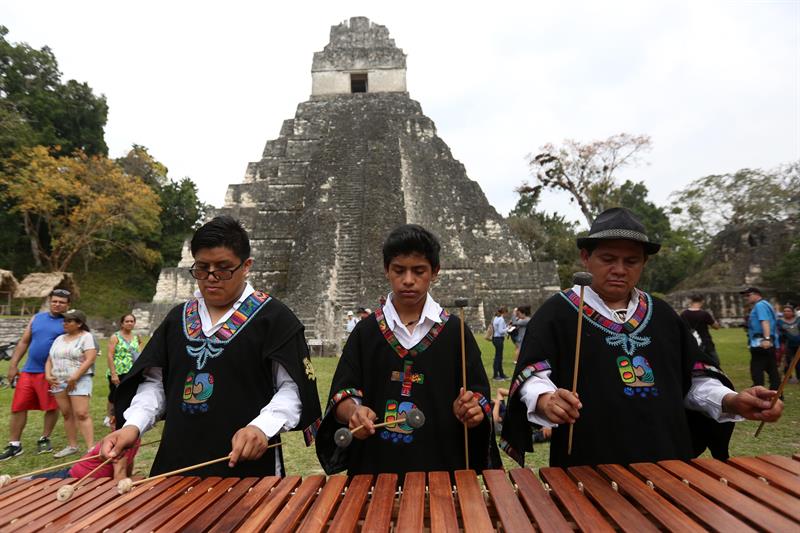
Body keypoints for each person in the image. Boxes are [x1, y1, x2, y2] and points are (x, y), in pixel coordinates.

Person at [500, 207, 784, 468]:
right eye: (608, 259)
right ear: (586, 258)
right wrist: (546, 399)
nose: (620, 269)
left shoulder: (663, 314)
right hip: (589, 462)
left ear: (644, 263)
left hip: (670, 460)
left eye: (631, 261)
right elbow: (533, 375)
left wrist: (731, 401)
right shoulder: (557, 313)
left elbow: (694, 381)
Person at [100, 216, 321, 478]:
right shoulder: (176, 319)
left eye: (223, 268)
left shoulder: (273, 319)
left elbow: (293, 388)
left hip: (246, 467)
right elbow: (156, 384)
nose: (211, 278)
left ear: (246, 265)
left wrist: (262, 427)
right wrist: (133, 425)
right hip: (176, 464)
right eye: (202, 268)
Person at [316, 224, 501, 478]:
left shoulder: (455, 332)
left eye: (419, 271)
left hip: (443, 469)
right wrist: (354, 412)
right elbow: (341, 394)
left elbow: (479, 395)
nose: (408, 280)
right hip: (374, 469)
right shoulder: (366, 332)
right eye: (399, 270)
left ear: (435, 272)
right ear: (386, 271)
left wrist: (473, 409)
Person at [0, 289, 70, 461]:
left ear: (68, 305)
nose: (57, 304)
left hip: (52, 373)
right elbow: (24, 341)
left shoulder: (68, 323)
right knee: (18, 406)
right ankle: (14, 444)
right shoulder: (37, 318)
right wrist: (13, 364)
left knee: (52, 407)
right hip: (29, 371)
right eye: (54, 301)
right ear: (49, 301)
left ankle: (44, 438)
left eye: (61, 302)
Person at [45, 309, 97, 458]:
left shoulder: (86, 337)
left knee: (81, 413)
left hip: (79, 380)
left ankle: (91, 449)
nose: (65, 323)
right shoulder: (59, 339)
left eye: (69, 321)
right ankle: (72, 446)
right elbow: (50, 359)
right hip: (58, 381)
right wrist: (48, 375)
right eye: (64, 320)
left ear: (79, 323)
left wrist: (75, 377)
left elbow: (90, 359)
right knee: (67, 414)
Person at [105, 314, 142, 427]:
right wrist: (113, 373)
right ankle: (110, 416)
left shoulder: (137, 337)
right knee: (114, 395)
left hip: (132, 371)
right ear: (122, 323)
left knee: (130, 394)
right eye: (127, 321)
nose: (129, 323)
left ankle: (127, 414)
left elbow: (140, 353)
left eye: (132, 321)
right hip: (118, 371)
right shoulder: (115, 337)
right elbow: (110, 355)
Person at [742, 287, 781, 390]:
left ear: (756, 294)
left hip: (761, 342)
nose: (746, 298)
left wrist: (766, 339)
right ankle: (776, 392)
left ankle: (759, 391)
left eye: (748, 295)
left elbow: (765, 321)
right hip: (767, 341)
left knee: (756, 370)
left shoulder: (759, 305)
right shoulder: (765, 304)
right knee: (771, 369)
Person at [680, 294, 721, 366]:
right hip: (705, 342)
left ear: (691, 301)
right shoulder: (704, 314)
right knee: (715, 363)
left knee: (692, 363)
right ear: (702, 301)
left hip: (690, 342)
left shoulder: (684, 314)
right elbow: (716, 327)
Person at [777, 304, 799, 384]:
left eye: (788, 311)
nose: (786, 312)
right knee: (788, 362)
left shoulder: (798, 320)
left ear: (793, 312)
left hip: (798, 345)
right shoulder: (779, 322)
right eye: (785, 311)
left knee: (798, 362)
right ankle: (788, 378)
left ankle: (799, 377)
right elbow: (778, 333)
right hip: (787, 345)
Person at [491, 307, 510, 380]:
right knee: (498, 357)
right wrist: (508, 328)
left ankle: (501, 374)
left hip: (495, 338)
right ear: (504, 312)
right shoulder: (501, 319)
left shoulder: (495, 318)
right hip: (499, 338)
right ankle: (496, 375)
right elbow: (501, 331)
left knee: (498, 357)